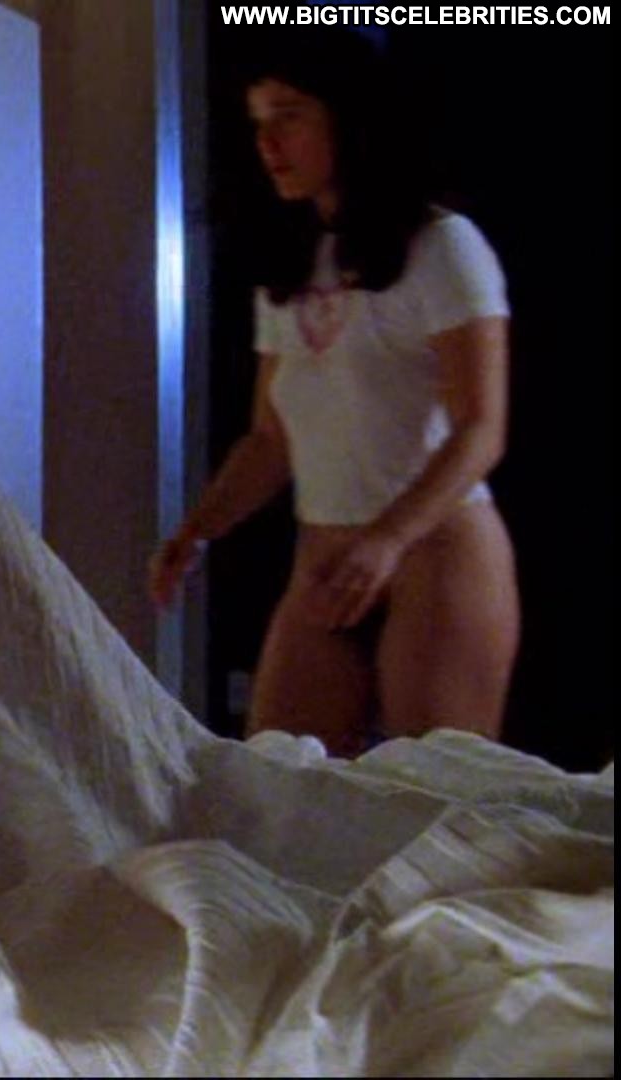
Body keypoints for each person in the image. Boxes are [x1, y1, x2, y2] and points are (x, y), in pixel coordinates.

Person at [149, 33, 518, 757]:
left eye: (289, 116)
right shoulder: (290, 265)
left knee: (430, 792)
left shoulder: (443, 246)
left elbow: (481, 427)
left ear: (346, 119)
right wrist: (197, 530)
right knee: (280, 788)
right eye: (258, 123)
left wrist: (389, 539)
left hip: (436, 550)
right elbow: (271, 438)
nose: (269, 144)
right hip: (323, 555)